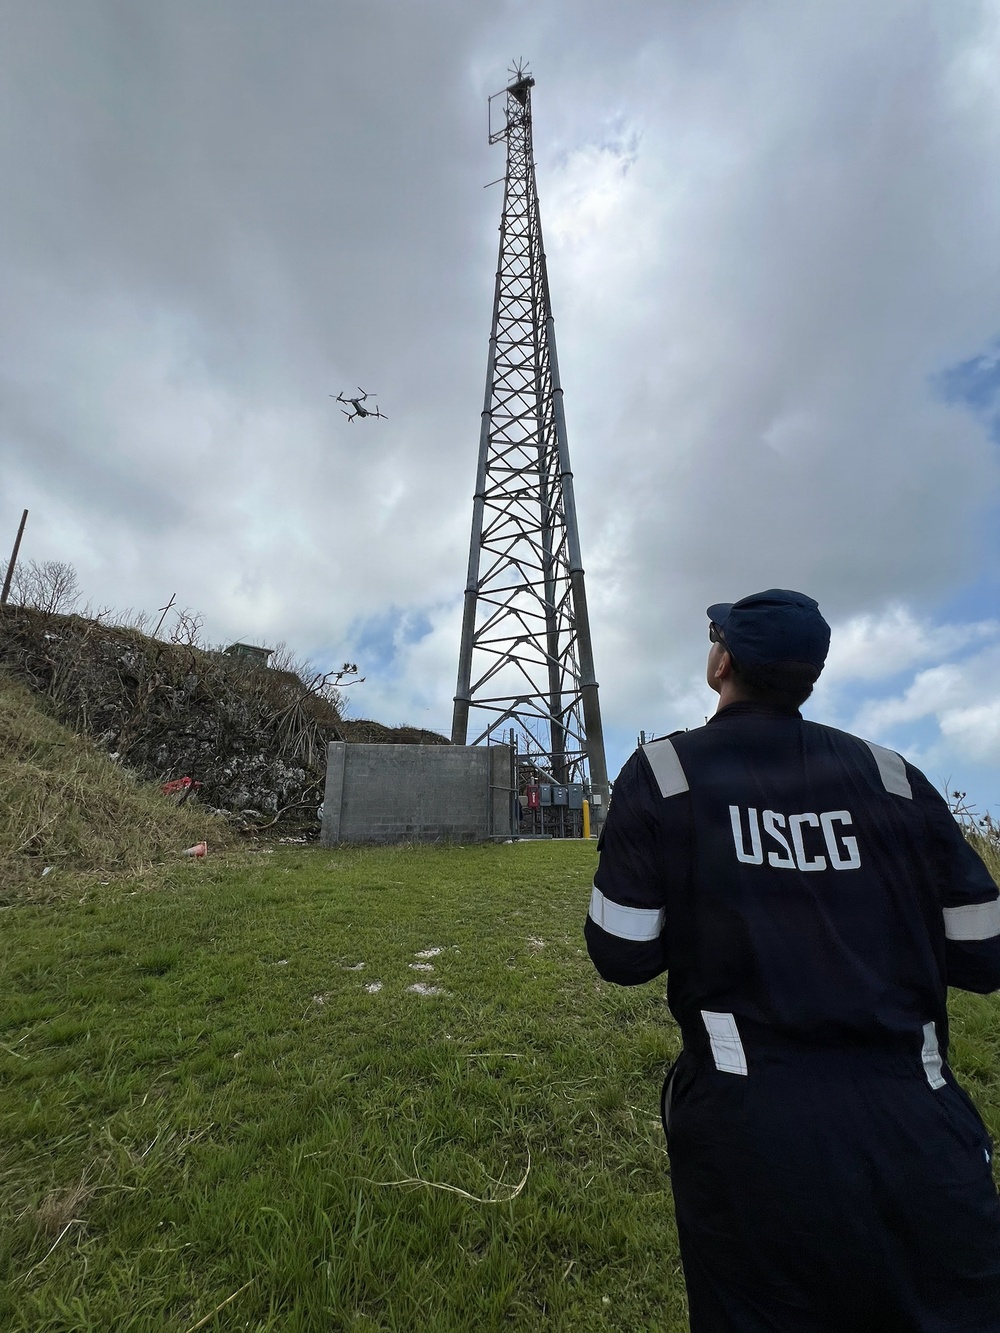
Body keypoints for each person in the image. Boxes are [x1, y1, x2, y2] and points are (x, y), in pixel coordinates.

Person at [585, 588, 1000, 1333]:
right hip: (919, 1122)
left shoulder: (666, 771)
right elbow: (984, 951)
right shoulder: (892, 775)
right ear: (809, 675)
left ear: (724, 661)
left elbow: (622, 952)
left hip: (752, 1133)